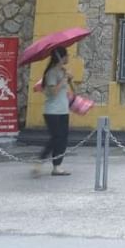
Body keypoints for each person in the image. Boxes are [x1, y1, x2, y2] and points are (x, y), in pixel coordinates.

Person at [34, 46, 72, 177]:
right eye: (66, 55)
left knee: (63, 139)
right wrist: (63, 80)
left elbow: (71, 91)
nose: (68, 58)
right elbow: (53, 92)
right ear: (60, 58)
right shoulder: (51, 73)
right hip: (52, 111)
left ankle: (57, 166)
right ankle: (40, 161)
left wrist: (68, 78)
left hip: (63, 110)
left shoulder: (62, 71)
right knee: (55, 138)